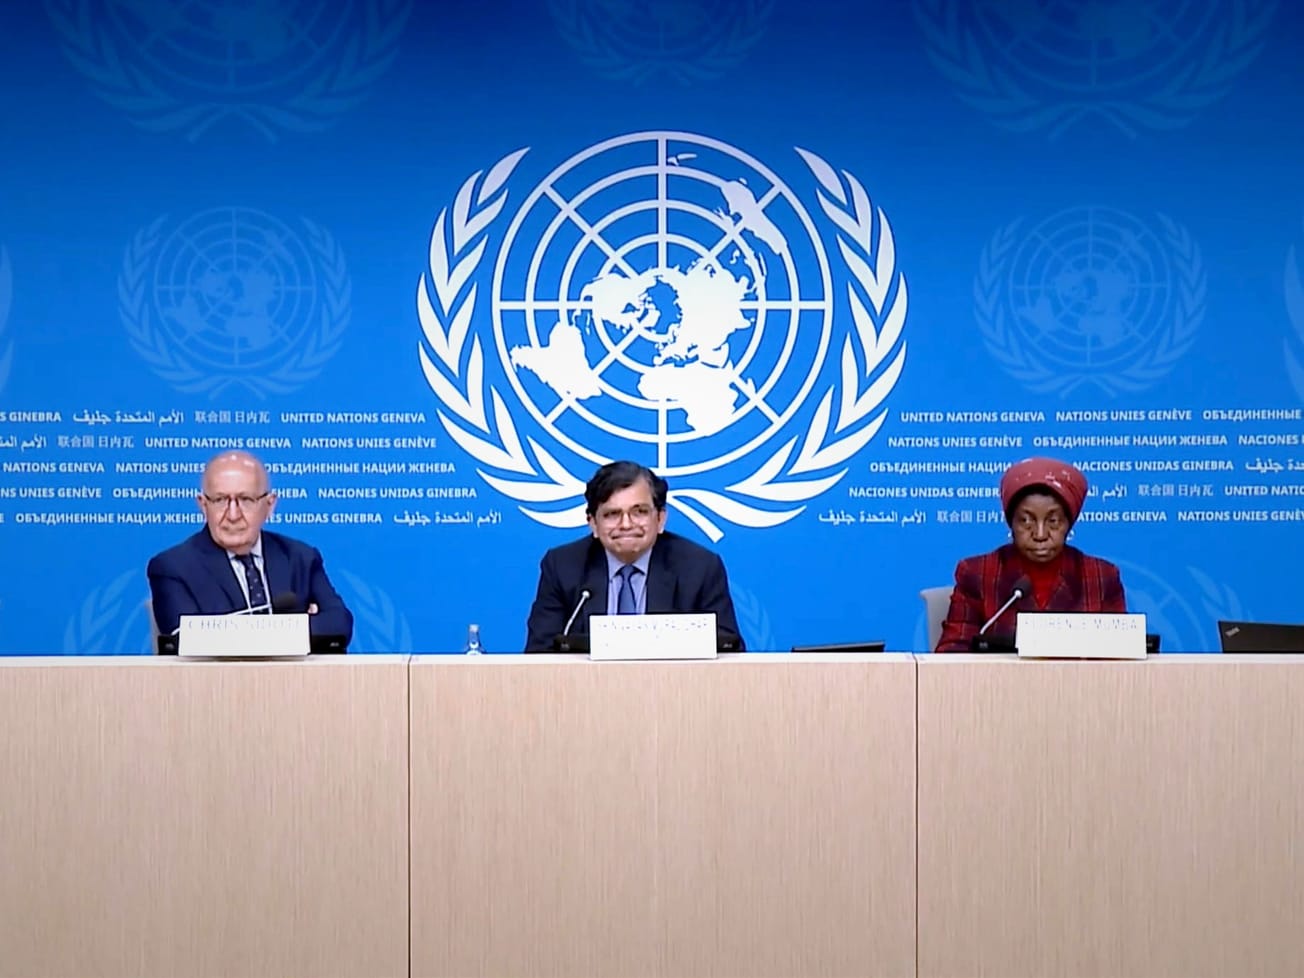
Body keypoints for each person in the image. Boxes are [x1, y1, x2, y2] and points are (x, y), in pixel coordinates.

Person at [524, 460, 744, 652]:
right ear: (593, 524)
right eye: (612, 514)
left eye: (639, 512)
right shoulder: (563, 567)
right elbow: (541, 653)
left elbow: (727, 650)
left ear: (660, 519)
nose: (626, 525)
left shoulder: (699, 567)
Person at [148, 450, 353, 645]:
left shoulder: (301, 558)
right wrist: (297, 627)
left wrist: (237, 633)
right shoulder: (172, 568)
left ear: (270, 505)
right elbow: (188, 640)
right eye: (220, 500)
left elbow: (339, 624)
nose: (233, 515)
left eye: (246, 500)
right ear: (203, 505)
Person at [934, 456, 1126, 652]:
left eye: (1053, 521)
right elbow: (952, 652)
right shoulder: (978, 574)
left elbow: (1122, 653)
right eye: (1026, 521)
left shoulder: (1101, 577)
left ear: (1068, 524)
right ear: (1011, 523)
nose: (1040, 535)